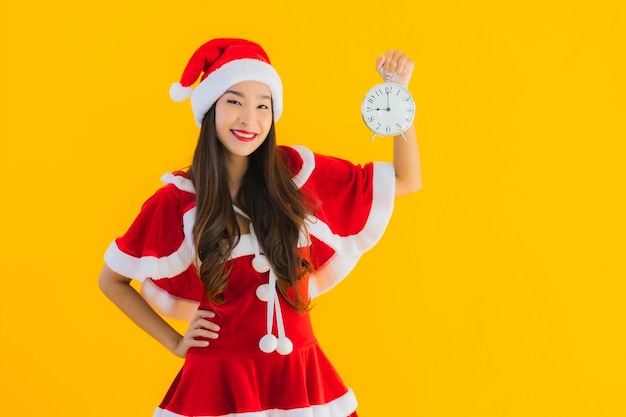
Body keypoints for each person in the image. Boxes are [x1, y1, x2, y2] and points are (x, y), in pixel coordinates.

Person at [99, 37, 422, 417]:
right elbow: (112, 280)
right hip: (217, 383)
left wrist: (397, 99)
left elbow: (406, 179)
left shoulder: (297, 179)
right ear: (210, 109)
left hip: (300, 378)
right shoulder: (179, 201)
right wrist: (174, 342)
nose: (249, 119)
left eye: (262, 105)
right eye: (234, 101)